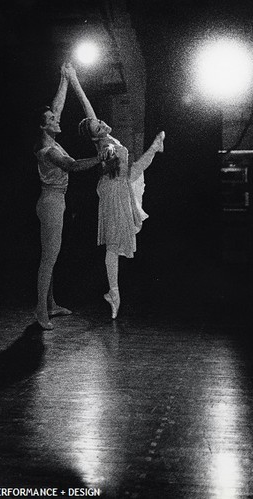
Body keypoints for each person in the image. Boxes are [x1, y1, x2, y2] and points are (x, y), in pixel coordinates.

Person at [65, 64, 165, 319]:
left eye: (100, 122)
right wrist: (152, 149)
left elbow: (89, 111)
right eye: (98, 127)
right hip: (116, 191)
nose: (103, 124)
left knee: (115, 247)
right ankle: (114, 293)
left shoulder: (106, 140)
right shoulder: (107, 148)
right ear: (95, 137)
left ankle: (114, 293)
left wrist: (74, 79)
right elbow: (128, 173)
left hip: (117, 189)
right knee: (114, 246)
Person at [34, 64, 102, 330]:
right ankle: (41, 310)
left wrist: (64, 78)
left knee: (51, 255)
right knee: (49, 257)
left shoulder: (49, 135)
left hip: (54, 200)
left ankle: (50, 304)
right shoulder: (47, 147)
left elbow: (57, 107)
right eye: (51, 119)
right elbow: (72, 165)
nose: (56, 119)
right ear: (43, 126)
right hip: (51, 202)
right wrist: (99, 158)